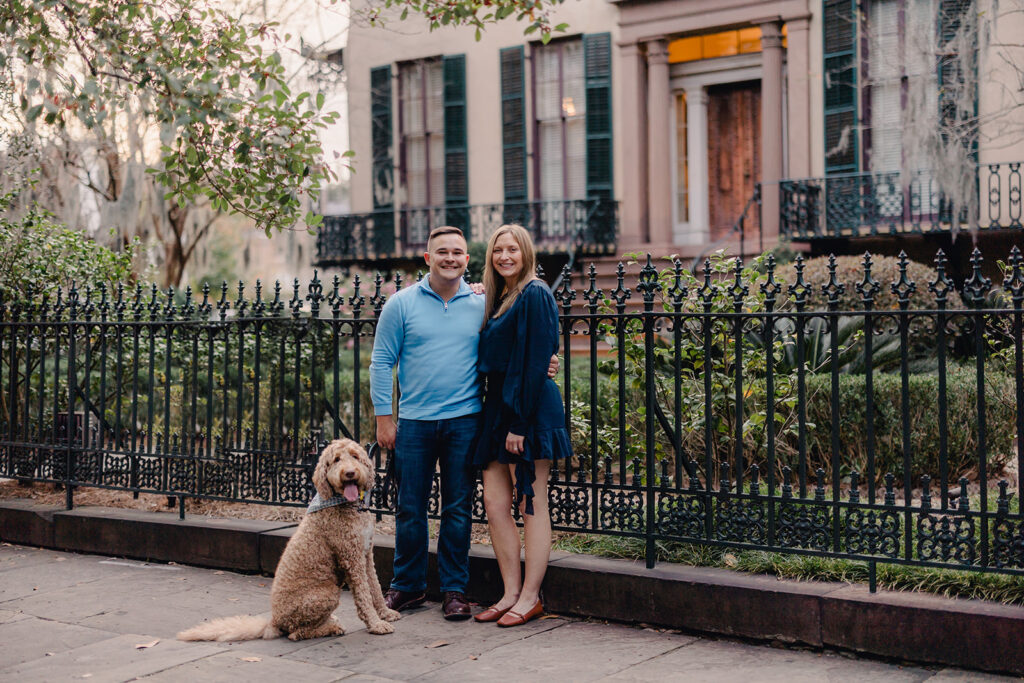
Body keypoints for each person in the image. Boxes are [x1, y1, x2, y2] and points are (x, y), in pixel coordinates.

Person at [370, 225, 557, 621]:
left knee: (458, 509)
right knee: (410, 508)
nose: (450, 258)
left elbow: (527, 343)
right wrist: (384, 418)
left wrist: (546, 362)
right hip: (416, 422)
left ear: (467, 259)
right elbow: (381, 361)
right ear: (428, 258)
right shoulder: (402, 304)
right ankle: (408, 585)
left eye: (457, 252)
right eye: (442, 252)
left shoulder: (482, 301)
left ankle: (455, 590)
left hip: (467, 419)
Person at [472, 224, 571, 628]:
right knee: (495, 505)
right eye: (498, 250)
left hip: (526, 410)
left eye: (513, 249)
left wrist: (519, 424)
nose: (505, 256)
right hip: (497, 407)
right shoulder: (499, 298)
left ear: (526, 253)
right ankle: (510, 592)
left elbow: (535, 361)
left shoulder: (536, 293)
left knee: (531, 503)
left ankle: (531, 597)